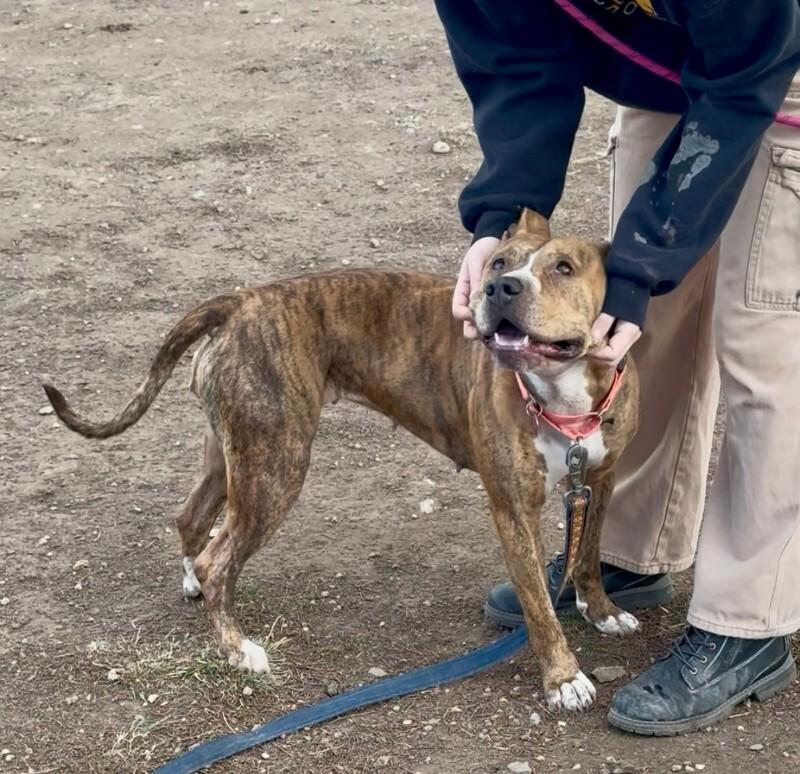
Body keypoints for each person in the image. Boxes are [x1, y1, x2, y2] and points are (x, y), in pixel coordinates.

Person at [433, 0, 800, 735]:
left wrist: (649, 249)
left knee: (765, 345)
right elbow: (516, 57)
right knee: (626, 327)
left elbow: (747, 69)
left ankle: (750, 618)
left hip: (773, 56)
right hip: (664, 73)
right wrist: (502, 214)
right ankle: (627, 552)